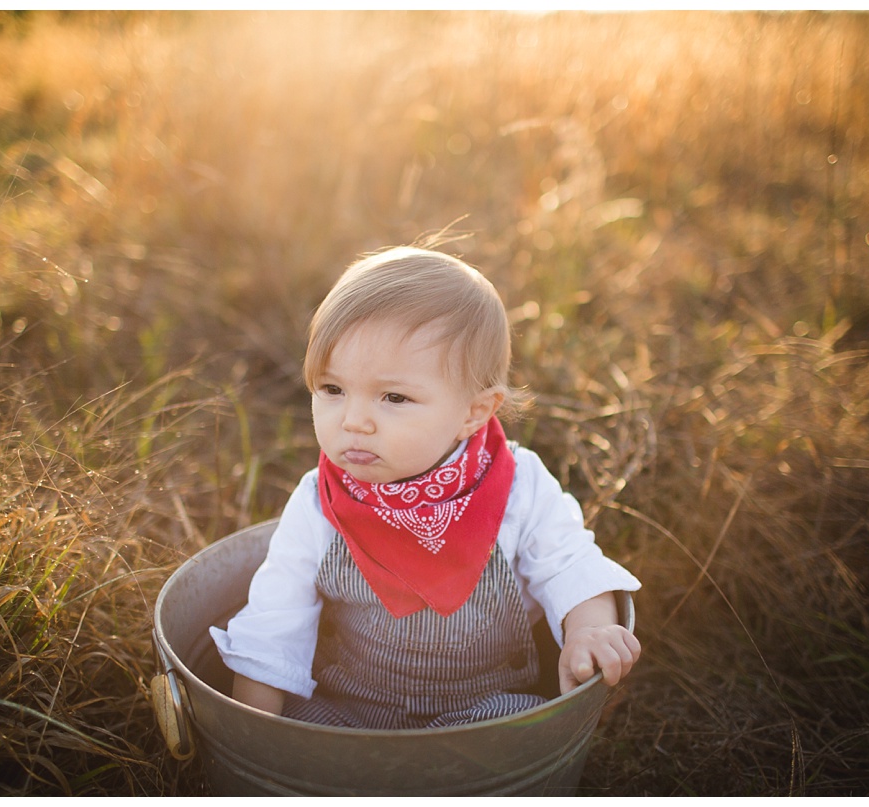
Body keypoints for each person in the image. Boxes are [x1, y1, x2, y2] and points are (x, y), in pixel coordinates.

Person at [210, 245, 641, 729]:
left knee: (516, 734)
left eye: (393, 397)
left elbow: (571, 566)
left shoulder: (518, 486)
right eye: (332, 389)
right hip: (351, 707)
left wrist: (590, 631)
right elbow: (274, 624)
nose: (353, 421)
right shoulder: (320, 502)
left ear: (474, 412)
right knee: (309, 735)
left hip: (484, 709)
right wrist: (250, 735)